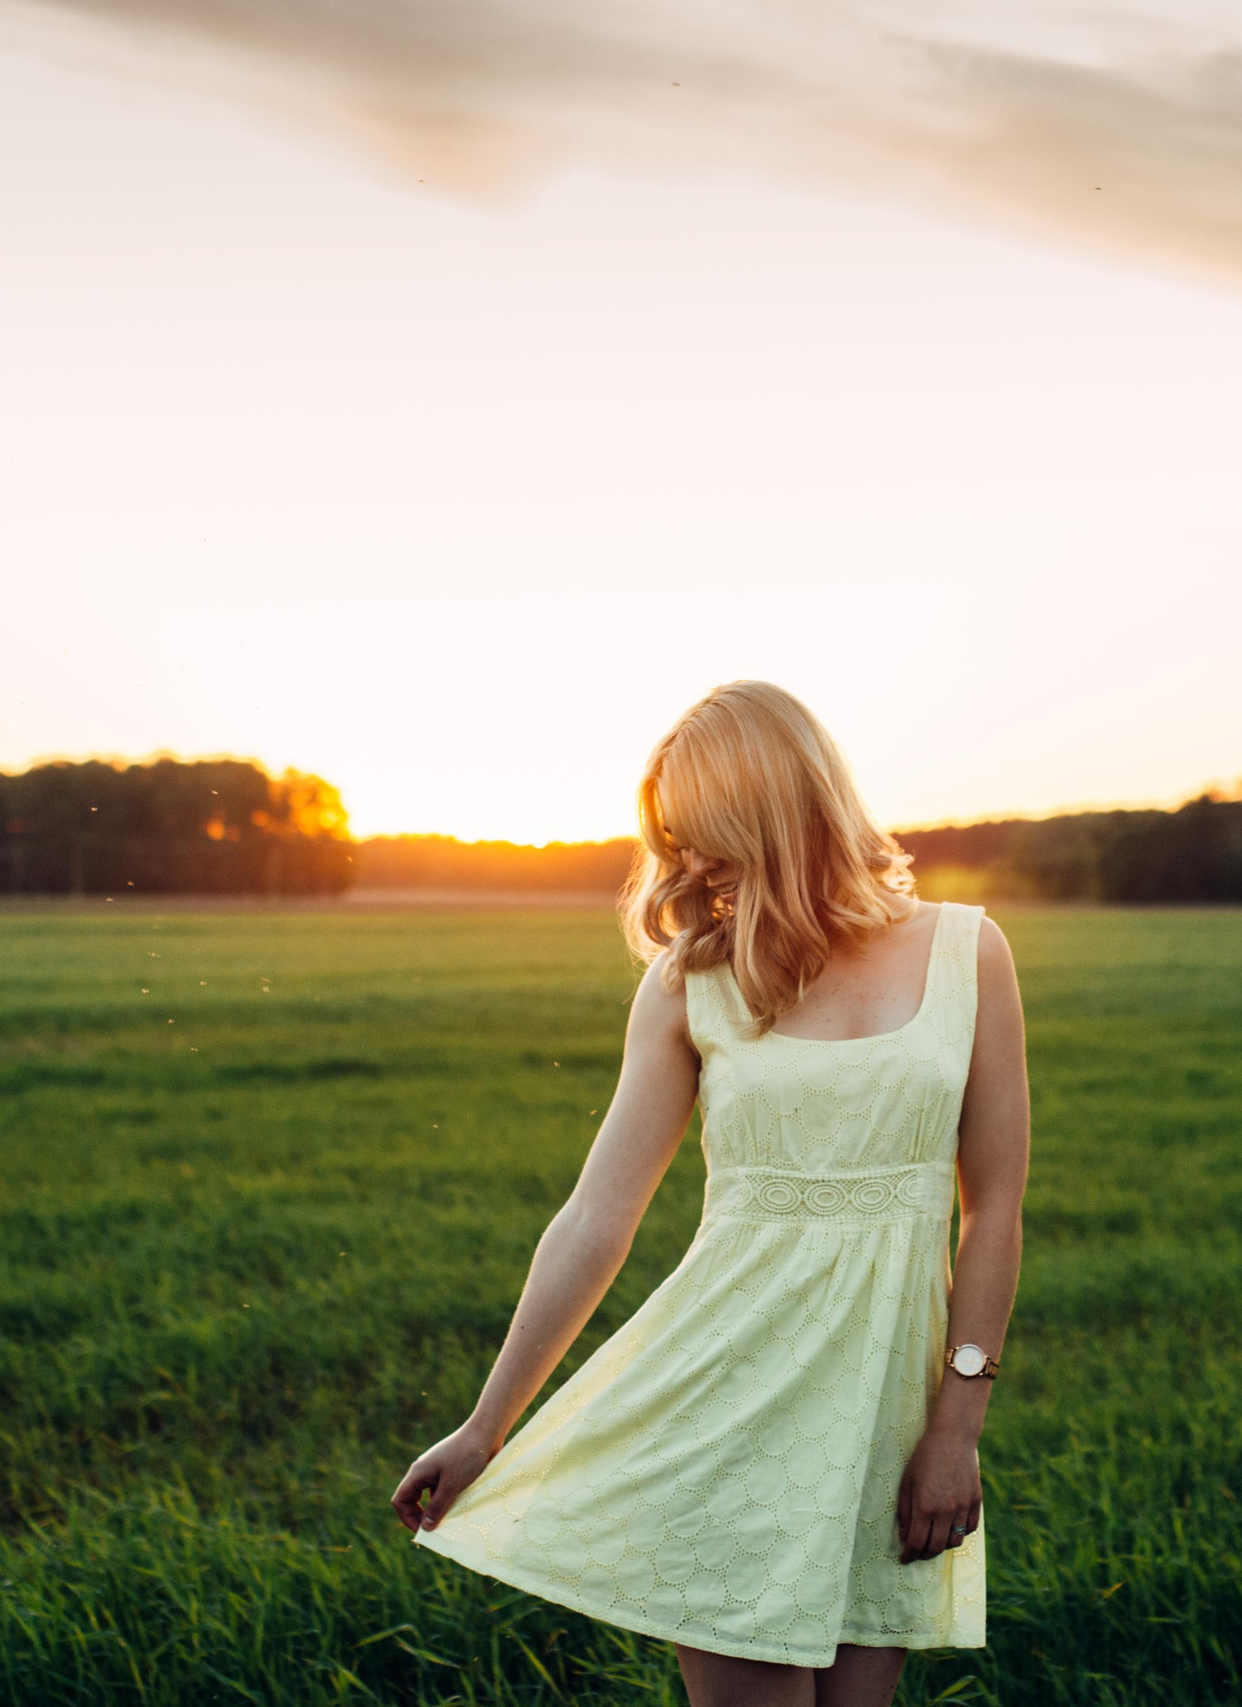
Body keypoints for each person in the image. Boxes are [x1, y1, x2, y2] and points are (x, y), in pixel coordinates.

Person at [391, 680, 1032, 1706]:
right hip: (725, 1412)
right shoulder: (690, 979)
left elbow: (991, 1207)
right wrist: (486, 1423)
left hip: (888, 1427)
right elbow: (597, 1216)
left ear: (773, 808)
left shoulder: (969, 953)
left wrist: (956, 1428)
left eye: (700, 833)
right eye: (671, 840)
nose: (684, 865)